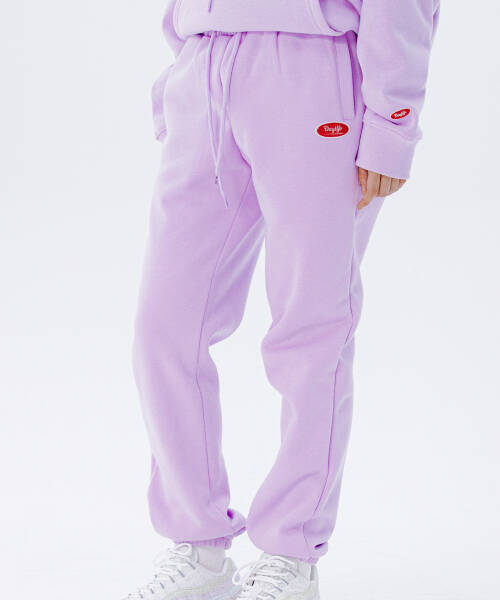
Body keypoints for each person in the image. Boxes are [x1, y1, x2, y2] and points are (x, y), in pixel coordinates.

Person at [126, 1, 440, 598]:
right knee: (164, 327)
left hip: (312, 68)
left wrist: (392, 120)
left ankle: (291, 551)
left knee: (311, 329)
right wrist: (179, 72)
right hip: (204, 65)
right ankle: (197, 542)